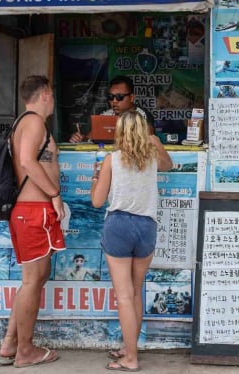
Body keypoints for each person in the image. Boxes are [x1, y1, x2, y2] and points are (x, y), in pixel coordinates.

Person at [90, 111, 172, 371]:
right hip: (146, 227)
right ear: (143, 130)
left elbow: (97, 201)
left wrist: (95, 179)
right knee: (136, 292)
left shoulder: (111, 160)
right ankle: (130, 347)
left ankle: (131, 359)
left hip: (119, 226)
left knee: (124, 296)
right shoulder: (152, 157)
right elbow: (168, 165)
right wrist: (155, 142)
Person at [0, 75, 65, 368]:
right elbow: (27, 161)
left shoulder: (24, 122)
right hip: (33, 211)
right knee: (31, 280)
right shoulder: (34, 122)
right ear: (46, 93)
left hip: (32, 213)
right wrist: (54, 193)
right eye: (52, 94)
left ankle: (11, 341)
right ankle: (25, 350)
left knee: (37, 277)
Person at [69, 75, 152, 143]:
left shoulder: (142, 116)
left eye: (119, 97)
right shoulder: (106, 115)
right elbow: (90, 138)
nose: (114, 101)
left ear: (131, 97)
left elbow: (150, 140)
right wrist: (81, 139)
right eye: (111, 97)